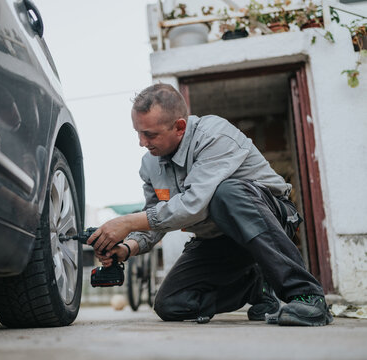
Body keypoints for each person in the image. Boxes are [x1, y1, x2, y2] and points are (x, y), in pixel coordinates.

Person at [88, 83, 332, 326]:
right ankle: (255, 287)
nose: (142, 142)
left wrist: (125, 222)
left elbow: (193, 204)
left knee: (225, 193)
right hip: (217, 239)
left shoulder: (214, 135)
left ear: (180, 127)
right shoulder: (150, 164)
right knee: (169, 304)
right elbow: (155, 219)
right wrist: (127, 248)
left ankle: (307, 295)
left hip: (270, 220)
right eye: (138, 133)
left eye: (150, 134)